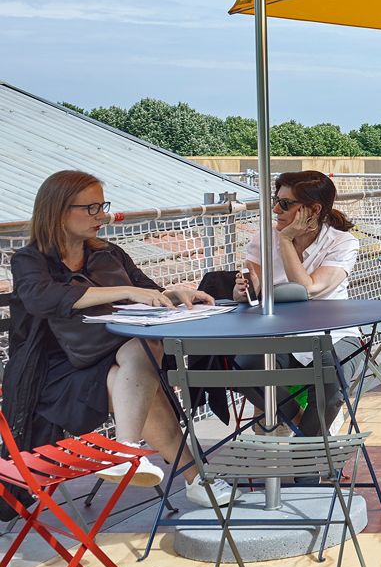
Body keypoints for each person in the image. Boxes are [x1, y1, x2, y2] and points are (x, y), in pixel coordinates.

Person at [3, 170, 215, 503]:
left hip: (113, 359)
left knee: (136, 356)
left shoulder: (109, 253)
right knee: (140, 373)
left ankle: (127, 452)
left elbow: (147, 292)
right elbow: (41, 298)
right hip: (56, 374)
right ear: (57, 212)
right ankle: (195, 480)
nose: (101, 216)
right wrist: (124, 291)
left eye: (102, 206)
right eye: (90, 208)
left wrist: (176, 294)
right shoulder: (30, 260)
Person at [231, 170, 362, 434]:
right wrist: (242, 291)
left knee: (331, 378)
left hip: (334, 333)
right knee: (243, 366)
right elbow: (253, 292)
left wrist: (286, 240)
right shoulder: (263, 238)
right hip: (278, 332)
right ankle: (305, 427)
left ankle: (308, 469)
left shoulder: (343, 243)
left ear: (313, 209)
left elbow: (307, 289)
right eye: (276, 200)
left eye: (285, 203)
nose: (275, 209)